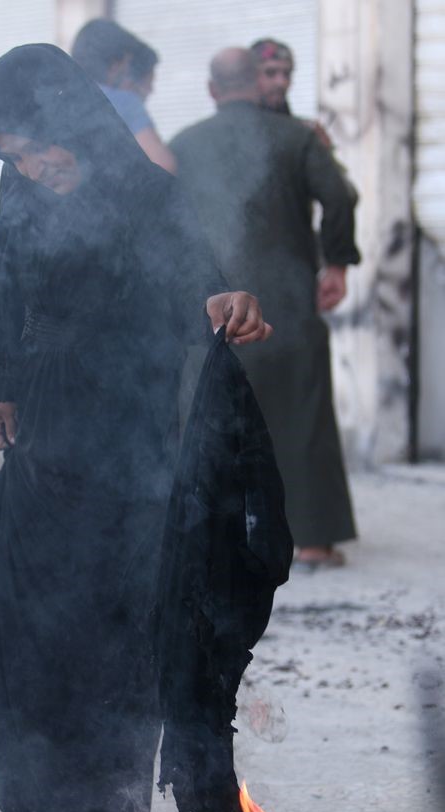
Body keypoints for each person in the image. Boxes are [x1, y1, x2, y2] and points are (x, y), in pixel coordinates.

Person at [0, 43, 271, 812]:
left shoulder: (148, 195)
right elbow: (7, 289)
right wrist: (4, 384)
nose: (33, 167)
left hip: (122, 448)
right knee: (25, 627)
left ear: (70, 120)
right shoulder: (21, 190)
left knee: (98, 633)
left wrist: (226, 301)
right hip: (40, 442)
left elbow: (199, 285)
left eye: (37, 147)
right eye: (14, 157)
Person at [170, 48, 360, 568]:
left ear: (212, 90)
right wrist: (337, 264)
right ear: (257, 83)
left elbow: (166, 220)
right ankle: (314, 541)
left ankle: (212, 535)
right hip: (287, 305)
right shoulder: (298, 137)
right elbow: (340, 197)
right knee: (303, 416)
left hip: (213, 308)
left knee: (209, 416)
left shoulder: (182, 144)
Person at [71, 19, 176, 172]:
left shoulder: (58, 102)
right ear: (116, 65)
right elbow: (163, 164)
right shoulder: (123, 102)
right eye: (127, 64)